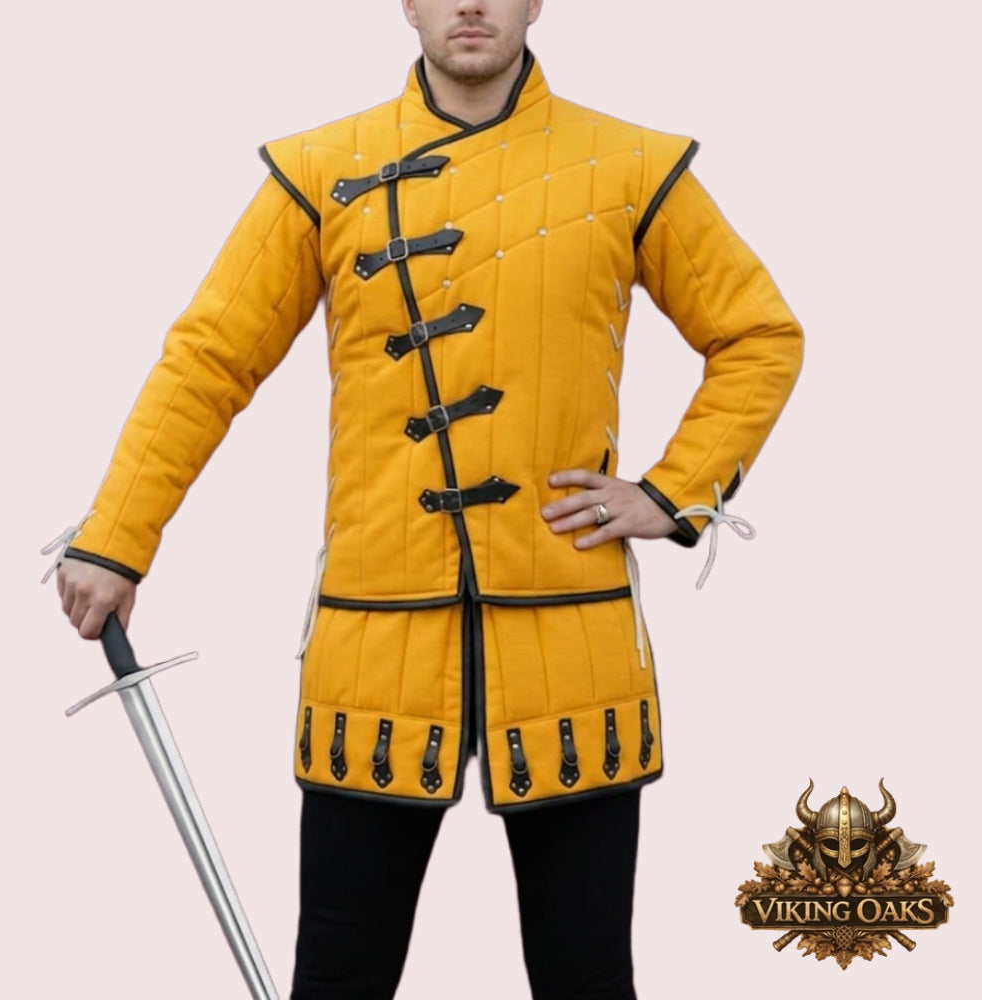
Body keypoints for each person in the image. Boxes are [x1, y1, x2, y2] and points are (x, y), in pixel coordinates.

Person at [48, 1, 803, 997]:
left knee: (585, 978)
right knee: (342, 975)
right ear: (407, 3)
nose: (470, 5)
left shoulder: (630, 165)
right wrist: (115, 539)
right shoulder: (321, 170)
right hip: (376, 640)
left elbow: (757, 335)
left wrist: (673, 493)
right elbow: (210, 361)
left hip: (569, 634)